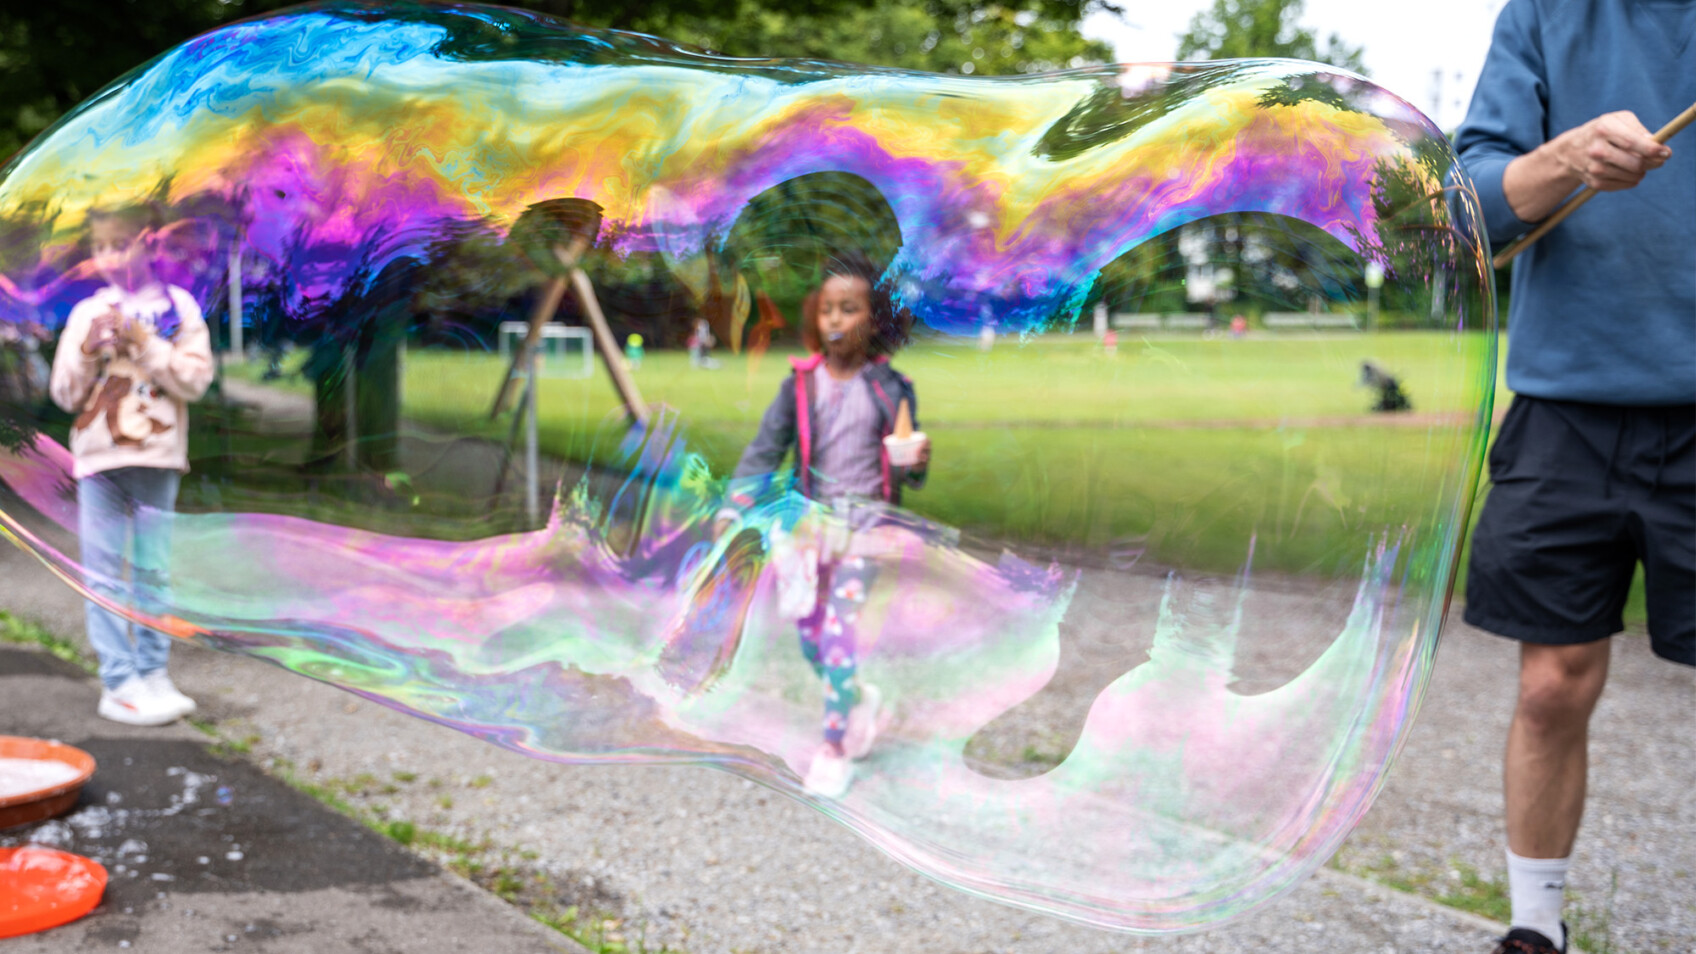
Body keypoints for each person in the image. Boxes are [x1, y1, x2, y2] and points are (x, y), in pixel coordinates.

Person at [1453, 3, 1694, 952]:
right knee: (1551, 684)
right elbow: (1473, 199)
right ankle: (1535, 928)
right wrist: (1570, 157)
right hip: (1567, 411)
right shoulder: (1547, 14)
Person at [718, 254, 929, 798]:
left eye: (850, 309)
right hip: (809, 533)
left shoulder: (892, 388)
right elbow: (766, 450)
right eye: (828, 310)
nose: (837, 320)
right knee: (811, 641)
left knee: (839, 634)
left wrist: (914, 459)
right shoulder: (800, 385)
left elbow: (908, 461)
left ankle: (833, 748)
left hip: (865, 531)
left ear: (874, 319)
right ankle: (856, 696)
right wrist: (736, 502)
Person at [49, 204, 214, 726]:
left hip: (158, 458)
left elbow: (194, 381)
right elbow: (64, 394)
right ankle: (119, 682)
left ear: (148, 242)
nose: (109, 256)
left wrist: (145, 345)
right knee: (102, 574)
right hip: (99, 459)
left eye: (120, 243)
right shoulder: (86, 313)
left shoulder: (179, 307)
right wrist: (87, 351)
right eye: (100, 247)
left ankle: (153, 673)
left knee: (153, 573)